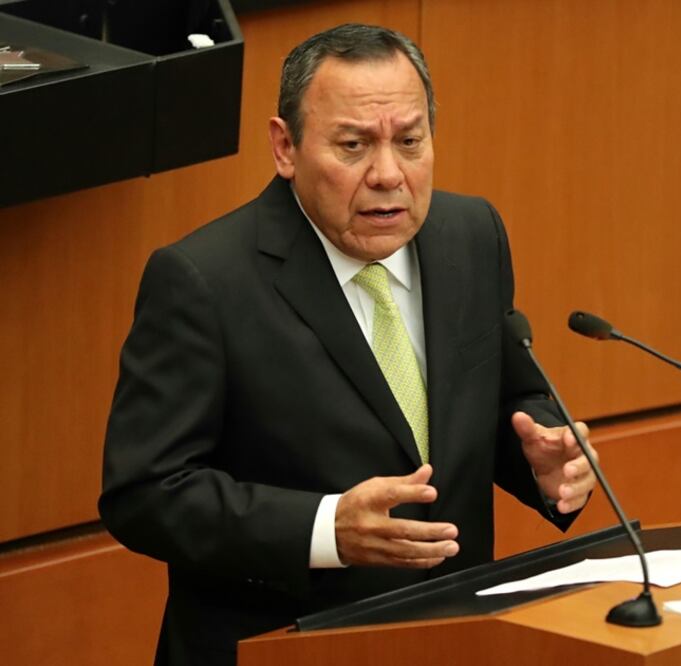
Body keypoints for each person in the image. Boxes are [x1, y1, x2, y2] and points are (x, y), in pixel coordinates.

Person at [99, 24, 596, 666]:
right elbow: (144, 494)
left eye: (410, 142)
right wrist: (324, 528)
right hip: (284, 645)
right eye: (354, 145)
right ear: (286, 147)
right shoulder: (204, 281)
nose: (388, 174)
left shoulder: (472, 236)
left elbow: (500, 396)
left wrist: (543, 460)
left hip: (454, 635)